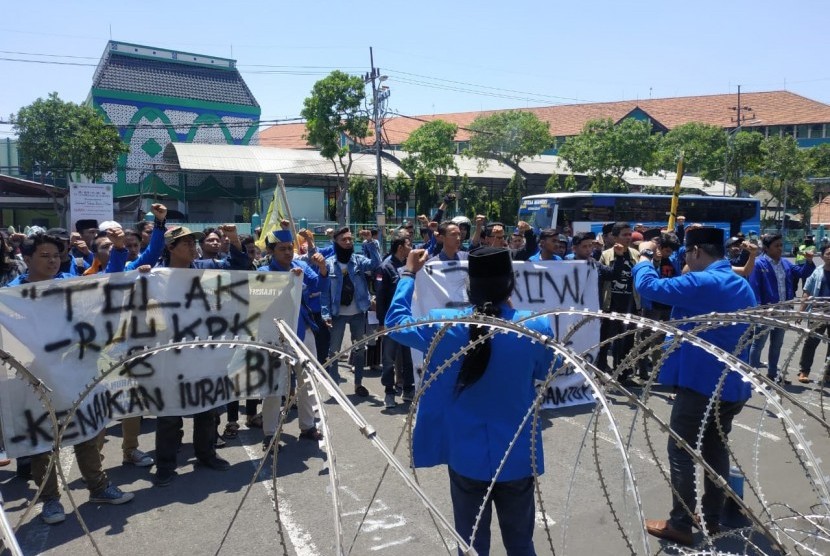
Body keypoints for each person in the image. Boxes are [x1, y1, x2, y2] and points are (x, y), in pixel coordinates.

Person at [386, 246, 556, 555]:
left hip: (466, 455)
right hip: (517, 453)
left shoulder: (443, 324)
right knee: (521, 543)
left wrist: (409, 273)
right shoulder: (535, 327)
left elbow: (395, 320)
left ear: (470, 285)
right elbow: (546, 370)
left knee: (471, 542)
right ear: (511, 283)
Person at [634, 227, 757, 546]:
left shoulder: (705, 281)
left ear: (698, 252)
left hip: (703, 383)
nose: (684, 259)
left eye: (687, 253)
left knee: (681, 448)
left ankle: (681, 522)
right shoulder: (737, 282)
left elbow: (648, 287)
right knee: (714, 446)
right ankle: (713, 518)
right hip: (732, 384)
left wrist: (646, 256)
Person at [8, 232, 134, 523]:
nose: (53, 261)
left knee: (87, 430)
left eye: (56, 255)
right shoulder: (12, 295)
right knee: (44, 441)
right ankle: (50, 500)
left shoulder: (70, 281)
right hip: (34, 378)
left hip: (74, 370)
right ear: (26, 260)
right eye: (44, 256)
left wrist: (117, 251)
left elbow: (108, 284)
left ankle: (99, 486)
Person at [153, 225, 249, 486]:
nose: (192, 247)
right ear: (171, 248)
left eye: (193, 242)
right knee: (170, 412)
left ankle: (206, 453)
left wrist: (233, 240)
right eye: (185, 243)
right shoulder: (156, 277)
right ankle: (165, 464)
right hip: (171, 357)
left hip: (204, 353)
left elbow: (240, 267)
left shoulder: (206, 270)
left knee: (208, 409)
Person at [257, 229, 327, 450]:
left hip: (302, 333)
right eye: (282, 249)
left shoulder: (303, 267)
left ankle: (307, 426)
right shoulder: (262, 273)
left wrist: (323, 269)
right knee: (274, 387)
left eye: (290, 248)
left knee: (307, 382)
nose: (288, 252)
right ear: (270, 251)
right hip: (274, 337)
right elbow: (258, 306)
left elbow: (320, 286)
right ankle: (270, 433)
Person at [321, 227, 382, 396]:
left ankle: (358, 384)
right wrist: (325, 314)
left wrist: (370, 242)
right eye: (344, 240)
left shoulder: (358, 261)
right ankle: (335, 387)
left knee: (360, 349)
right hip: (337, 314)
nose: (348, 243)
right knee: (334, 351)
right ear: (336, 242)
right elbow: (325, 293)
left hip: (358, 313)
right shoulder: (328, 264)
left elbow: (376, 265)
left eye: (350, 239)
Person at [748, 233, 815, 385]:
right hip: (766, 311)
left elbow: (803, 273)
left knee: (776, 344)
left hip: (783, 312)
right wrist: (759, 308)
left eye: (780, 245)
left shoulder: (785, 263)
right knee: (758, 344)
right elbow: (755, 287)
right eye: (776, 246)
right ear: (766, 248)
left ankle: (773, 374)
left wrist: (809, 261)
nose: (780, 248)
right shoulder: (759, 264)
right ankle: (752, 374)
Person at [375, 234, 415, 408]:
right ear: (400, 247)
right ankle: (389, 392)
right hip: (390, 320)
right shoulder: (385, 267)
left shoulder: (409, 266)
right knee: (389, 358)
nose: (411, 247)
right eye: (409, 244)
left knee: (408, 357)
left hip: (407, 319)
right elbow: (380, 296)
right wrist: (382, 321)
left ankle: (408, 389)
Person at [597, 222, 640, 384]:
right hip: (610, 304)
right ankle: (601, 372)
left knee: (627, 341)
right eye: (624, 235)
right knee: (605, 340)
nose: (628, 238)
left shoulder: (636, 254)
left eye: (630, 234)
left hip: (630, 303)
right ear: (615, 237)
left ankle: (623, 374)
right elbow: (602, 279)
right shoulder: (606, 255)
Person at [796, 244, 830, 383]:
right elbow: (807, 292)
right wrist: (800, 312)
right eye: (828, 253)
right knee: (811, 342)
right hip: (817, 311)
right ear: (822, 256)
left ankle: (827, 374)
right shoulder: (817, 272)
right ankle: (804, 371)